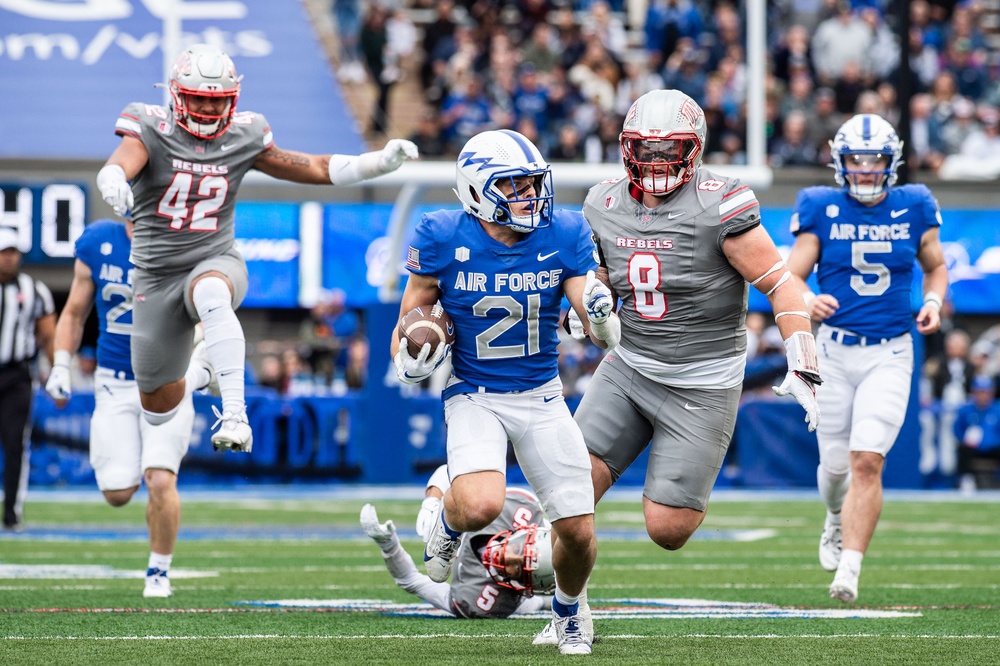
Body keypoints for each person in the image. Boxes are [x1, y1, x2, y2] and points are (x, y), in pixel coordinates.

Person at [96, 43, 418, 454]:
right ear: (177, 95)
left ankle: (235, 414)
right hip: (156, 275)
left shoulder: (244, 135)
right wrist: (112, 178)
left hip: (213, 258)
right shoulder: (150, 124)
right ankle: (201, 372)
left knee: (212, 292)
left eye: (218, 102)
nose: (209, 112)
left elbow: (313, 166)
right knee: (157, 406)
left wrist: (375, 163)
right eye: (199, 100)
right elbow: (124, 158)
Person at [573, 88, 822, 603]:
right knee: (568, 487)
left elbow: (780, 282)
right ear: (626, 148)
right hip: (630, 367)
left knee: (668, 528)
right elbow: (595, 278)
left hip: (703, 384)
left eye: (670, 149)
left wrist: (802, 357)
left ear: (696, 148)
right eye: (646, 149)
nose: (657, 161)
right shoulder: (603, 203)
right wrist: (586, 307)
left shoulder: (719, 203)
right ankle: (545, 587)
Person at [391, 129, 597, 655]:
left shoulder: (564, 231)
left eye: (532, 183)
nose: (529, 195)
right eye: (514, 185)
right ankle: (446, 518)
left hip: (543, 392)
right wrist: (410, 355)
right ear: (478, 190)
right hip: (474, 391)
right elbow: (409, 319)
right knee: (480, 504)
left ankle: (568, 613)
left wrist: (598, 314)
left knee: (576, 532)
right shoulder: (440, 234)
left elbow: (586, 304)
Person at [786, 113, 948, 604]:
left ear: (890, 162)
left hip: (891, 351)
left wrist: (934, 301)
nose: (863, 169)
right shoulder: (820, 205)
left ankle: (850, 570)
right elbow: (789, 275)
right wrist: (806, 301)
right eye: (855, 160)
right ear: (840, 162)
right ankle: (834, 519)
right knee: (834, 470)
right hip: (833, 352)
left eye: (873, 160)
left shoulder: (915, 205)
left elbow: (936, 266)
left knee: (867, 462)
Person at [44, 218, 217, 597]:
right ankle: (144, 482)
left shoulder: (184, 241)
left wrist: (203, 348)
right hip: (114, 380)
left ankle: (158, 572)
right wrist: (60, 362)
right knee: (118, 492)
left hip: (168, 376)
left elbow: (213, 311)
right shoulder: (98, 241)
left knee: (160, 478)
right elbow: (74, 312)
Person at [360, 465, 556, 619]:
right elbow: (450, 471)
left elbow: (410, 580)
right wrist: (432, 501)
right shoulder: (521, 508)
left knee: (526, 603)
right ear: (524, 534)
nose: (508, 556)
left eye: (518, 567)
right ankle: (543, 600)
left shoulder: (480, 602)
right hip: (463, 520)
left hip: (517, 597)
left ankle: (541, 602)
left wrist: (388, 544)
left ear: (524, 585)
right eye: (519, 549)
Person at [0, 227, 55, 531]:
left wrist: (56, 373)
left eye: (13, 252)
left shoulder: (34, 289)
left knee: (15, 443)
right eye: (4, 252)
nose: (9, 259)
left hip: (16, 375)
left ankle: (11, 513)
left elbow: (48, 335)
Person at [953, 374, 1000, 494]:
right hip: (972, 448)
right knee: (962, 450)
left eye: (985, 392)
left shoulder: (997, 409)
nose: (982, 395)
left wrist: (991, 442)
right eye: (979, 392)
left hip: (994, 448)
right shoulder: (966, 410)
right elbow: (957, 429)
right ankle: (966, 480)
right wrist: (965, 439)